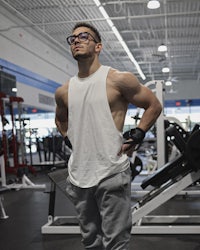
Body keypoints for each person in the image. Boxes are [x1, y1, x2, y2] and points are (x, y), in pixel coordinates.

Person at [55, 22, 162, 250]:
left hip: (111, 171)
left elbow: (153, 105)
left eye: (84, 36)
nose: (76, 40)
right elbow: (60, 119)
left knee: (116, 243)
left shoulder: (118, 79)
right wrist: (67, 137)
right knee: (91, 242)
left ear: (98, 46)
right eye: (72, 39)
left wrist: (139, 133)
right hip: (79, 176)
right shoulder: (63, 91)